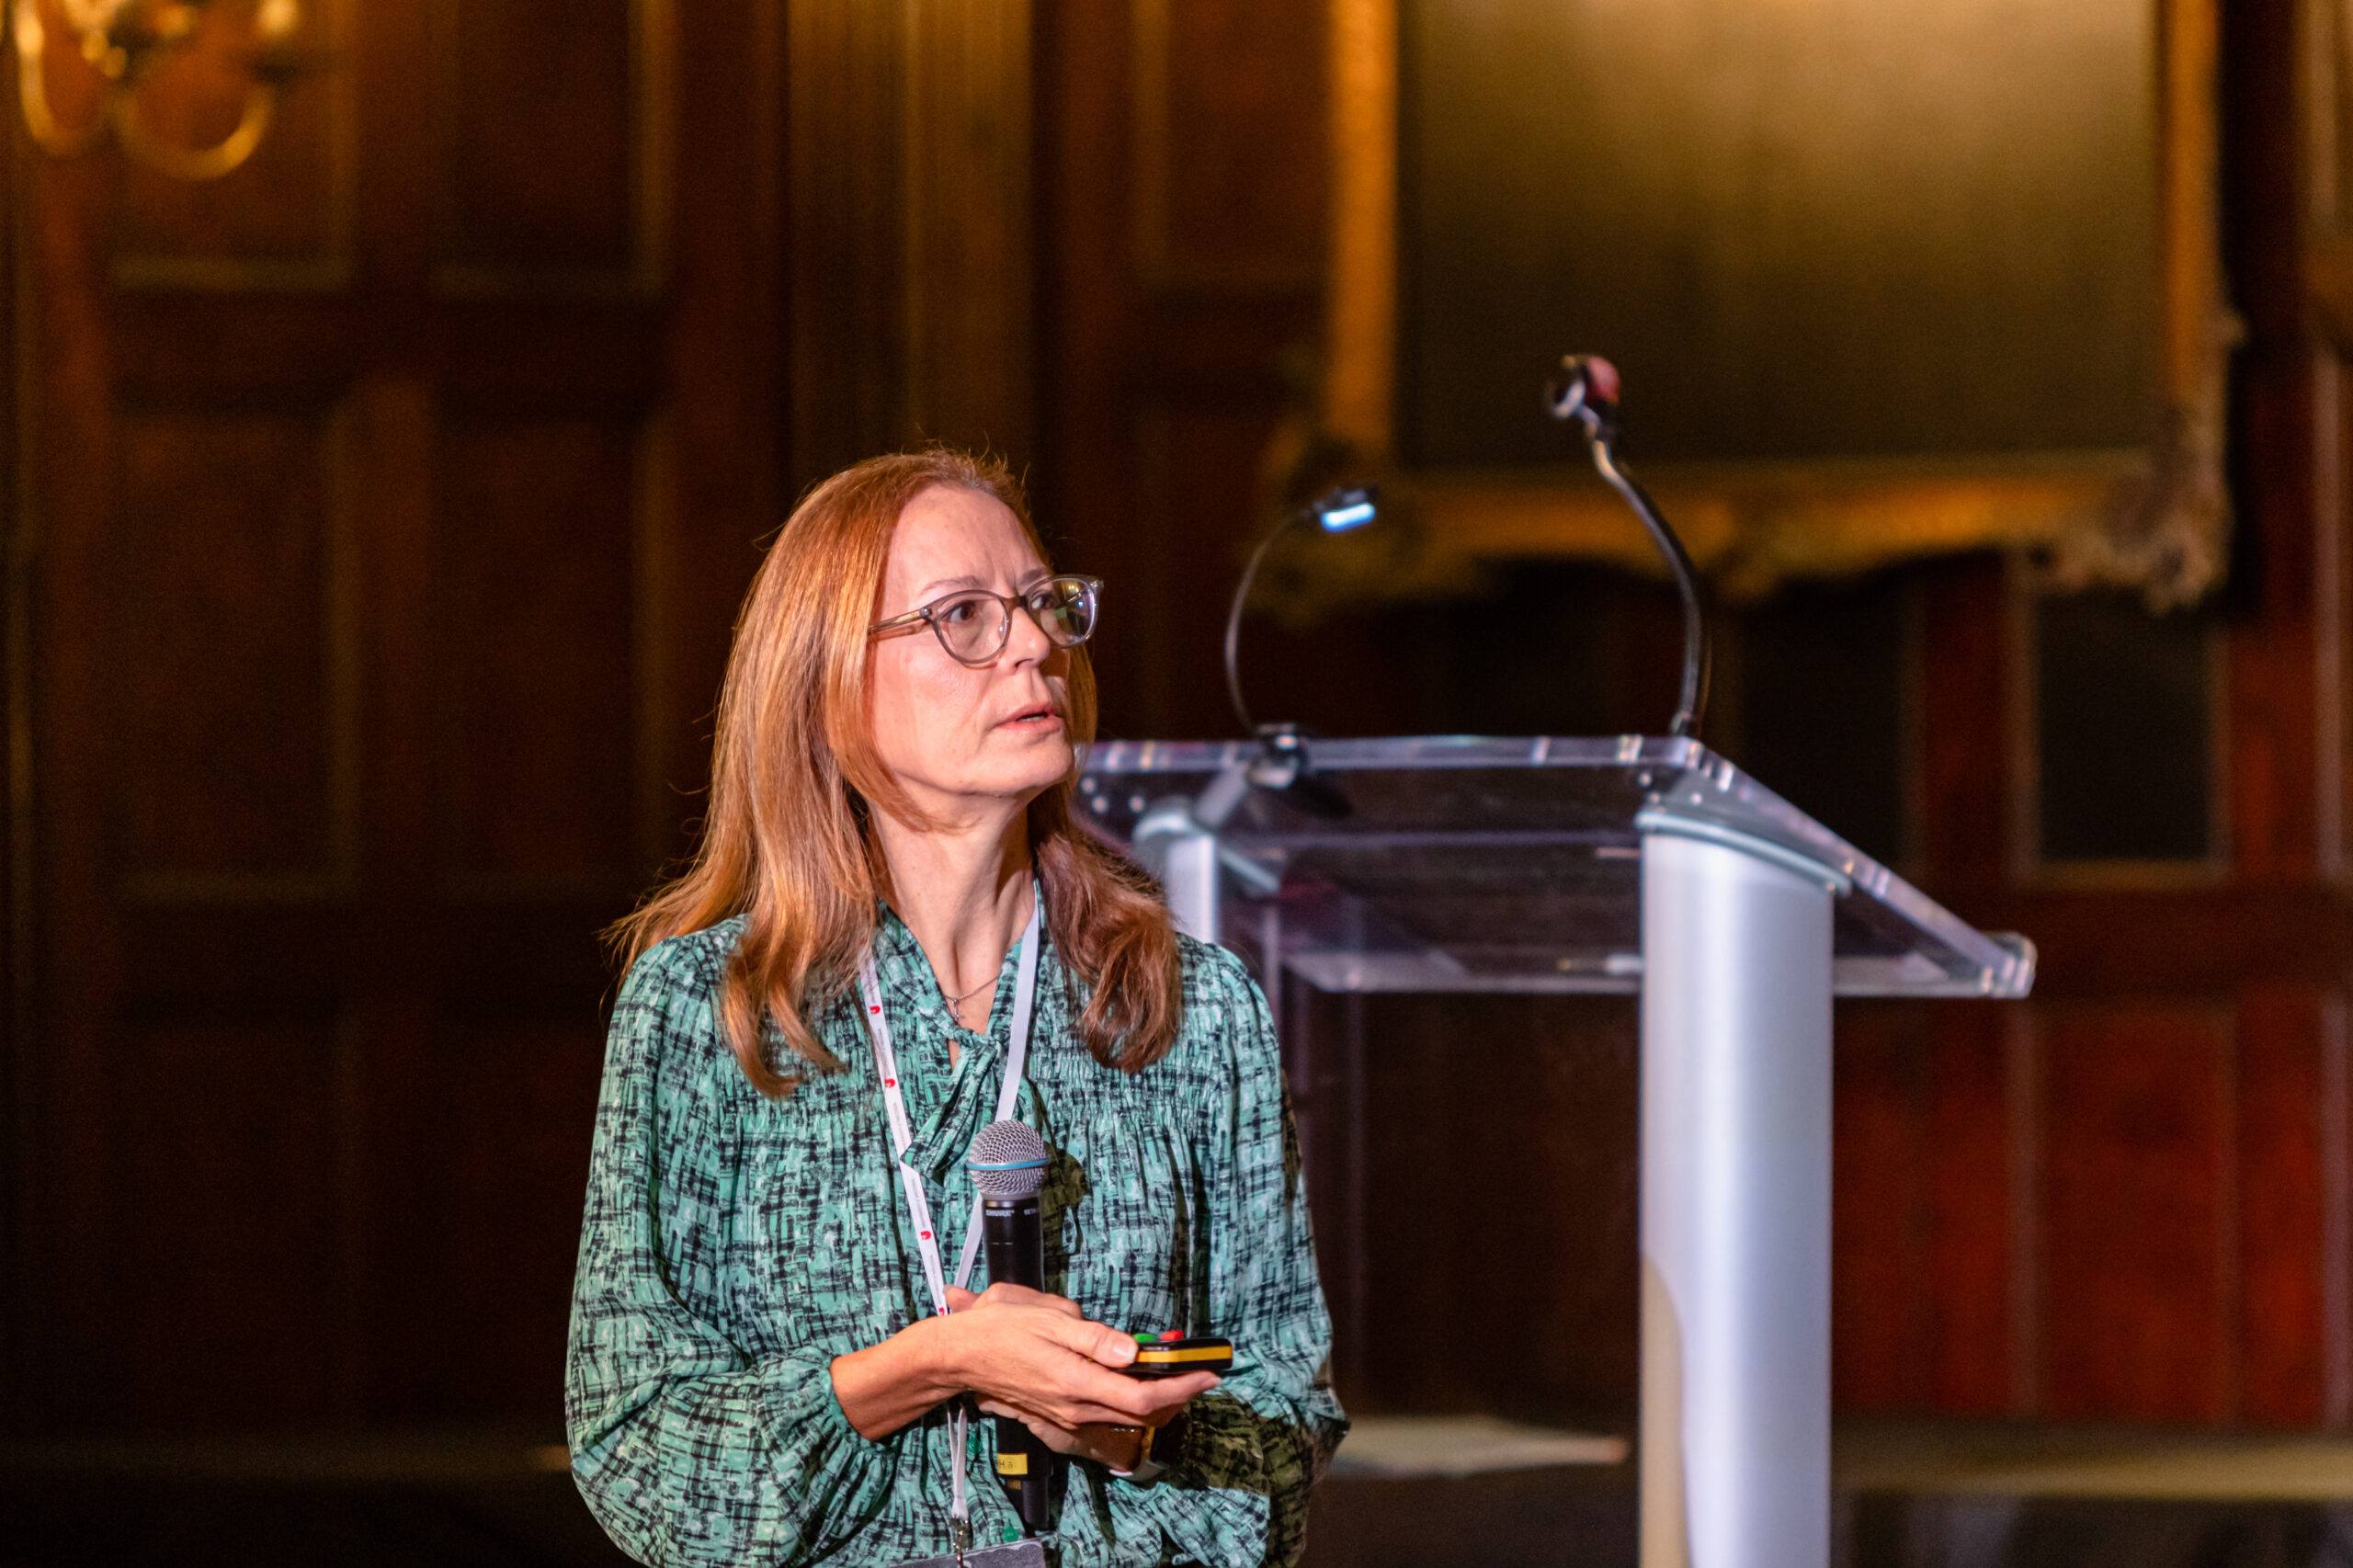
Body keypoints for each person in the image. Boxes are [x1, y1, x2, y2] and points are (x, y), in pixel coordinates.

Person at [567, 449, 1345, 1568]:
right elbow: (640, 1453)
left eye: (1039, 603)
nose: (1033, 644)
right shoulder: (706, 1010)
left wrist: (1128, 1436)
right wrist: (937, 1362)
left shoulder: (1194, 1006)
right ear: (828, 684)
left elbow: (1286, 1432)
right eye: (964, 615)